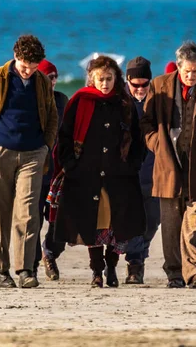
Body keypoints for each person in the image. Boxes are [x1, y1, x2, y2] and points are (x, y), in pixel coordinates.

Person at [0, 35, 58, 289]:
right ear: (15, 57)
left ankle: (26, 270)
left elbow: (52, 116)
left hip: (32, 155)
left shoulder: (41, 82)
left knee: (28, 213)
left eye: (34, 66)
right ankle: (1, 269)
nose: (29, 71)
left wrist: (45, 147)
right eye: (25, 65)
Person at [140, 41, 196, 288]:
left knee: (195, 221)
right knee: (170, 223)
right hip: (168, 163)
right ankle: (174, 274)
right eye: (187, 71)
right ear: (178, 67)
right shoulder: (159, 85)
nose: (191, 76)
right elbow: (146, 121)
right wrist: (156, 144)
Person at [54, 55, 146, 288]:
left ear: (117, 78)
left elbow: (137, 138)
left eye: (109, 79)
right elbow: (64, 137)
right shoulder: (79, 101)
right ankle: (96, 271)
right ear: (91, 80)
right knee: (93, 224)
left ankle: (112, 267)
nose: (105, 84)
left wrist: (133, 165)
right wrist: (70, 165)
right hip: (86, 175)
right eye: (100, 79)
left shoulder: (125, 103)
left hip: (119, 175)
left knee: (118, 225)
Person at [123, 56, 160, 284]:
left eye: (144, 84)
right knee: (133, 221)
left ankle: (140, 253)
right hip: (127, 173)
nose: (139, 89)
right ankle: (135, 264)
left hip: (155, 171)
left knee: (153, 220)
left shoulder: (157, 102)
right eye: (135, 85)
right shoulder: (119, 103)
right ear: (127, 80)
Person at [33, 58, 68, 281]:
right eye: (47, 77)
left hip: (58, 170)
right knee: (33, 220)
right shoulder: (32, 100)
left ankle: (50, 252)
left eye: (54, 77)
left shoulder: (62, 100)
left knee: (59, 220)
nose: (52, 81)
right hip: (35, 169)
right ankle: (31, 263)